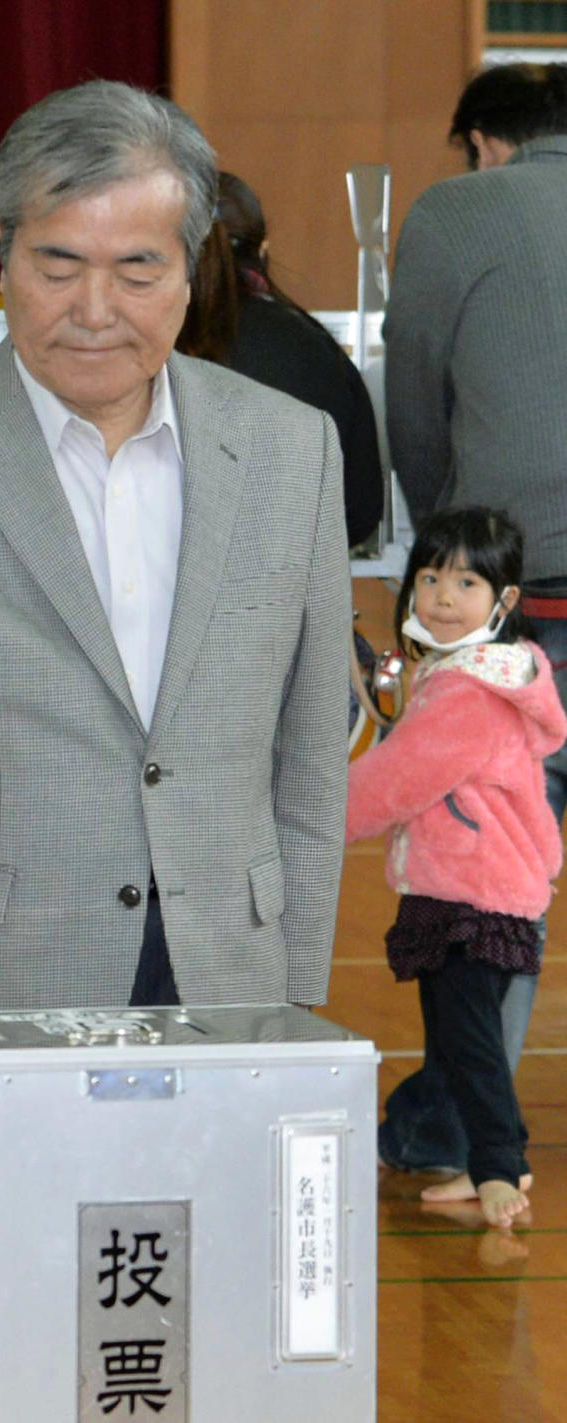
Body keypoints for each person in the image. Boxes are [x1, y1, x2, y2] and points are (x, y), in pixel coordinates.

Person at [0, 79, 350, 1014]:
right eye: (58, 267)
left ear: (190, 270)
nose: (95, 309)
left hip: (224, 970)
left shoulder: (294, 449)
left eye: (136, 271)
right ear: (3, 258)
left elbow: (309, 756)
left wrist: (291, 996)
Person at [382, 61, 567, 1170]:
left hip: (524, 600)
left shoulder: (459, 211)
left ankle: (457, 1139)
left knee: (489, 882)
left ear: (484, 143)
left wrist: (441, 563)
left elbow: (415, 392)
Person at [346, 506, 566, 1227]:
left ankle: (499, 1169)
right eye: (432, 575)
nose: (442, 594)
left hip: (475, 893)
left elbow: (396, 780)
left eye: (466, 581)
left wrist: (310, 823)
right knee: (451, 1035)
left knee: (468, 1040)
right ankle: (436, 1143)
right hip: (476, 887)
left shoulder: (471, 690)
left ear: (502, 602)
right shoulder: (465, 674)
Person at [177, 171, 384, 550]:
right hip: (288, 590)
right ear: (264, 247)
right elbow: (361, 509)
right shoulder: (316, 347)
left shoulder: (149, 350)